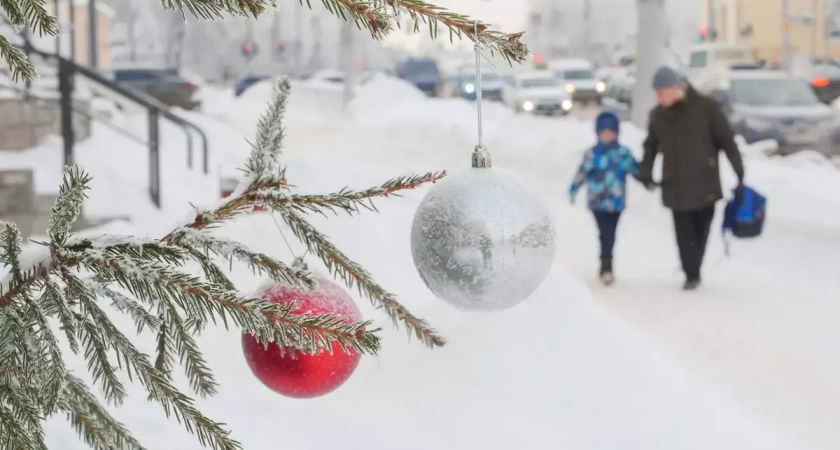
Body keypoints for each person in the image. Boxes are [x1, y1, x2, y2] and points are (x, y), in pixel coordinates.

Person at [640, 66, 745, 291]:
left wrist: (739, 171)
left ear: (678, 88)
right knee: (683, 232)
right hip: (675, 184)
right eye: (657, 94)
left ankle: (693, 267)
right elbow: (650, 147)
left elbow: (727, 141)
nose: (659, 98)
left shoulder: (707, 109)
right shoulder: (658, 116)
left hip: (705, 182)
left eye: (662, 92)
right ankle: (691, 273)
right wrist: (646, 172)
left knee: (701, 230)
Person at [569, 110, 642, 286]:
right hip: (597, 202)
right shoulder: (592, 153)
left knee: (611, 233)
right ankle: (606, 267)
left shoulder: (623, 153)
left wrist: (649, 180)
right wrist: (573, 188)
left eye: (611, 132)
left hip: (616, 202)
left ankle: (606, 264)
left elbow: (636, 171)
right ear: (598, 132)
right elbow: (582, 173)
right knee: (605, 233)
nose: (607, 135)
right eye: (604, 132)